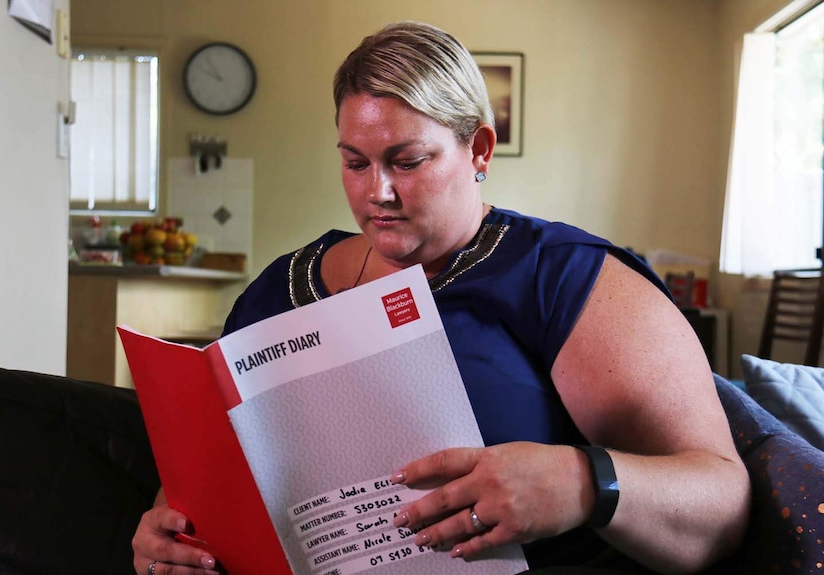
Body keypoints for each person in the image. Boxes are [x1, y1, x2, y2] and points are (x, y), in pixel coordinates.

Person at [132, 21, 750, 575]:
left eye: (408, 161)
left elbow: (721, 504)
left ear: (478, 150)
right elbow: (200, 481)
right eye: (355, 163)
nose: (378, 192)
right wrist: (169, 534)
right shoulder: (278, 289)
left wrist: (583, 482)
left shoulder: (565, 279)